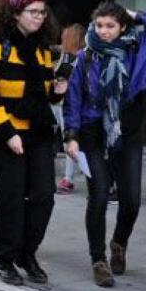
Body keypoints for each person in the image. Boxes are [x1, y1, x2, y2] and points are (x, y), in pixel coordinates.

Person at [63, 4, 146, 287]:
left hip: (128, 132)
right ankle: (98, 260)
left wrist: (135, 14)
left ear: (123, 27)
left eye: (110, 25)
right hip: (92, 133)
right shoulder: (85, 57)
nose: (103, 31)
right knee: (98, 195)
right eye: (99, 25)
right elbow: (74, 98)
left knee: (132, 200)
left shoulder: (140, 50)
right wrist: (71, 135)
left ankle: (119, 243)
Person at [0, 0, 66, 286]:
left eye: (42, 12)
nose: (39, 17)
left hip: (38, 130)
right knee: (11, 197)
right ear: (15, 14)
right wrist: (8, 133)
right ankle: (6, 259)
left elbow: (44, 94)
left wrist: (57, 90)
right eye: (33, 12)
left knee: (43, 196)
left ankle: (27, 253)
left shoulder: (41, 49)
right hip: (4, 133)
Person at [54, 23, 85, 194]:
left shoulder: (77, 59)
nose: (62, 40)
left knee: (69, 142)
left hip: (67, 105)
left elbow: (62, 78)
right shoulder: (65, 56)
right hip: (57, 104)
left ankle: (68, 179)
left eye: (66, 37)